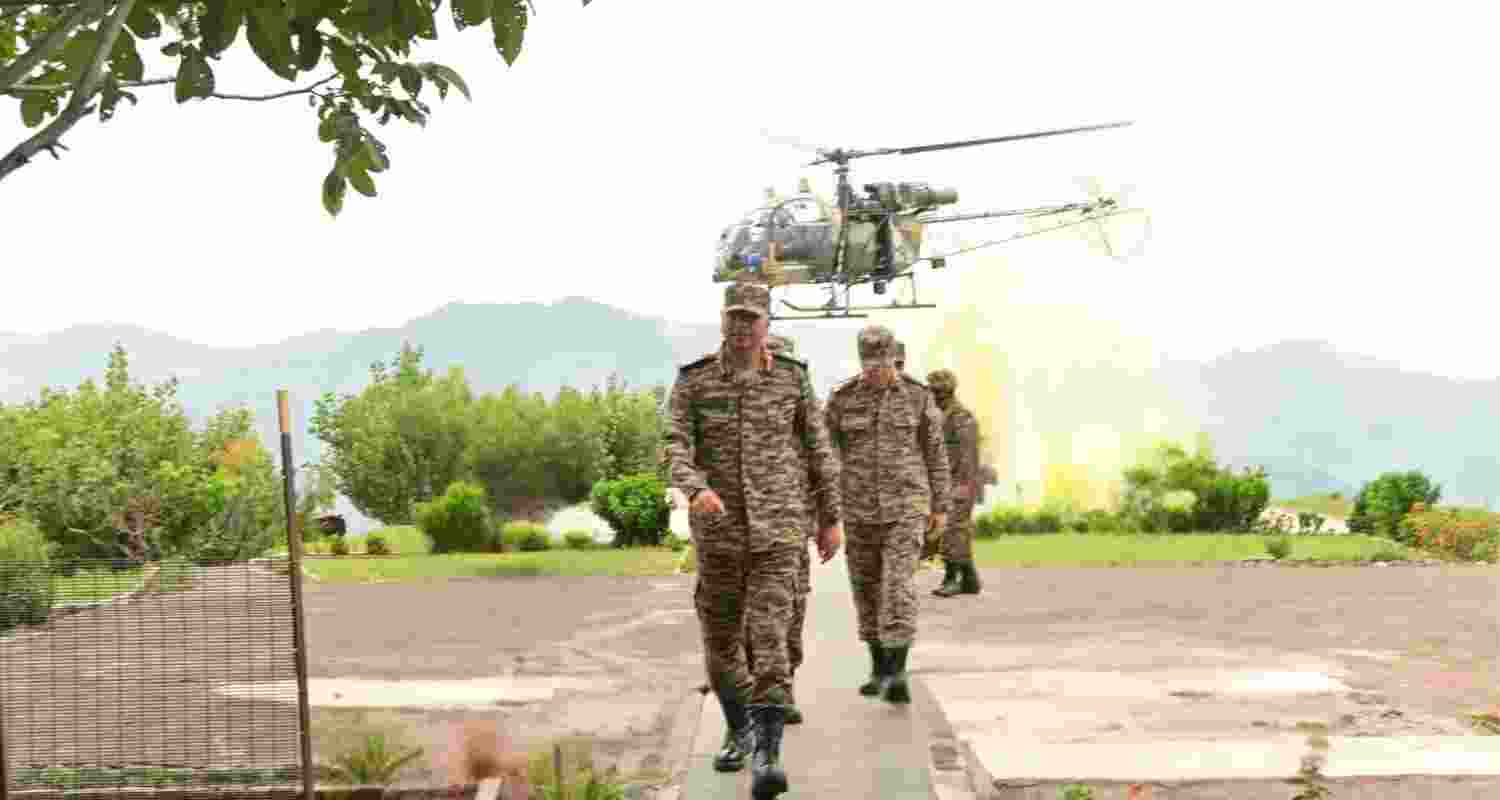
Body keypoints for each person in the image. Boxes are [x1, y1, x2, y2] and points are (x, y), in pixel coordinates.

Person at [665, 281, 844, 798]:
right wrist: (694, 488)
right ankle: (736, 728)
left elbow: (819, 451)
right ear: (723, 321)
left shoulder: (791, 380)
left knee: (769, 640)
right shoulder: (694, 382)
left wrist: (829, 518)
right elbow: (675, 442)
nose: (742, 328)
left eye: (751, 319)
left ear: (767, 324)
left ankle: (768, 754)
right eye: (734, 318)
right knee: (721, 644)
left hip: (779, 532)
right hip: (720, 535)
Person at [823, 325, 949, 704]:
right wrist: (827, 510)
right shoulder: (842, 398)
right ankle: (877, 667)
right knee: (867, 590)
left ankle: (897, 672)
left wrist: (940, 507)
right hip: (858, 509)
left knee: (898, 588)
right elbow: (825, 454)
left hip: (906, 507)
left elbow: (935, 454)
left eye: (883, 364)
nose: (876, 371)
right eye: (869, 365)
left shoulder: (917, 396)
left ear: (894, 358)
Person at [744, 333, 815, 726]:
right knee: (756, 616)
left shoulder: (803, 414)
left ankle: (783, 688)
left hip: (793, 531)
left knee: (792, 612)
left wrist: (825, 522)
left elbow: (823, 466)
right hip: (748, 533)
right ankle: (762, 692)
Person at [927, 369, 983, 597]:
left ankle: (952, 578)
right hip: (947, 483)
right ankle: (970, 580)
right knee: (957, 531)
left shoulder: (961, 417)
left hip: (961, 483)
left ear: (944, 393)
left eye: (934, 392)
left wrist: (961, 487)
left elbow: (968, 456)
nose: (931, 396)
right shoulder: (940, 415)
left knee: (953, 531)